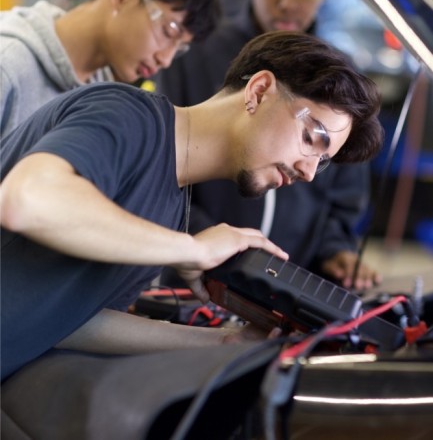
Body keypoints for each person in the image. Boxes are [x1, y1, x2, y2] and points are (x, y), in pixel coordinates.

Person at [0, 30, 383, 381]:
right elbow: (25, 199)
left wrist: (225, 343)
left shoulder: (170, 210)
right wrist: (192, 249)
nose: (309, 171)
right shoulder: (128, 116)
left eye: (323, 160)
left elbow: (70, 322)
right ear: (259, 91)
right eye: (312, 137)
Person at [157, 0, 381, 290]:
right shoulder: (197, 54)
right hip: (196, 272)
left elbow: (345, 188)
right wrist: (199, 241)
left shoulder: (341, 76)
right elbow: (168, 156)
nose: (288, 2)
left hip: (290, 281)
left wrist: (335, 249)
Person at [0, 0, 222, 138]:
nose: (165, 59)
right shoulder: (8, 65)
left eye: (180, 47)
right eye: (168, 31)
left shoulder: (105, 95)